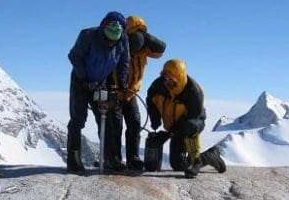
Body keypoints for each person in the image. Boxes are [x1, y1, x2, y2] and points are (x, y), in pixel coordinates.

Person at [66, 11, 130, 173]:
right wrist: (84, 78)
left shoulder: (123, 40)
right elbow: (74, 56)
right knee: (78, 119)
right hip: (81, 81)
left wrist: (122, 82)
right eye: (108, 39)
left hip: (100, 82)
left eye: (113, 41)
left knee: (105, 117)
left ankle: (110, 158)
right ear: (103, 28)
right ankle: (73, 160)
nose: (110, 43)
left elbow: (124, 61)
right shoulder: (88, 35)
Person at [146, 58, 226, 178]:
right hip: (175, 126)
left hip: (193, 122)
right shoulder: (158, 85)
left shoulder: (194, 92)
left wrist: (169, 134)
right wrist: (155, 119)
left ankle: (199, 160)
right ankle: (209, 156)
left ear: (179, 77)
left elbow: (190, 120)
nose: (166, 82)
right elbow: (151, 100)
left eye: (170, 79)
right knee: (178, 165)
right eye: (165, 78)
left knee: (190, 126)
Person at [110, 15, 166, 170]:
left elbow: (161, 49)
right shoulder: (117, 44)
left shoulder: (144, 49)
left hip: (130, 93)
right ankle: (114, 159)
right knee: (115, 126)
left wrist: (144, 36)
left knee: (134, 123)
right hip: (115, 91)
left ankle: (132, 158)